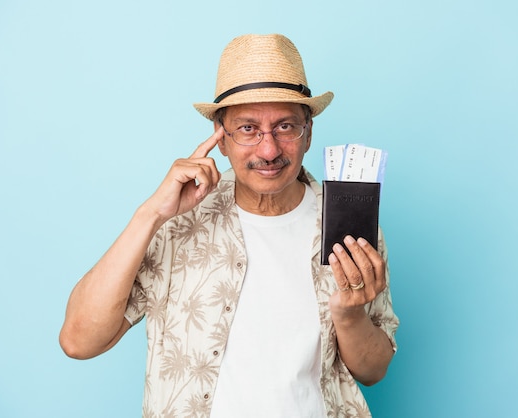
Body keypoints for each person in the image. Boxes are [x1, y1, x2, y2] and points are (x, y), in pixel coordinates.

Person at [60, 33, 399, 418]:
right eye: (248, 128)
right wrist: (151, 214)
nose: (269, 150)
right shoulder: (176, 221)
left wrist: (351, 314)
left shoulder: (348, 223)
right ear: (220, 138)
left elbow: (373, 371)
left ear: (309, 131)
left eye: (285, 126)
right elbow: (78, 341)